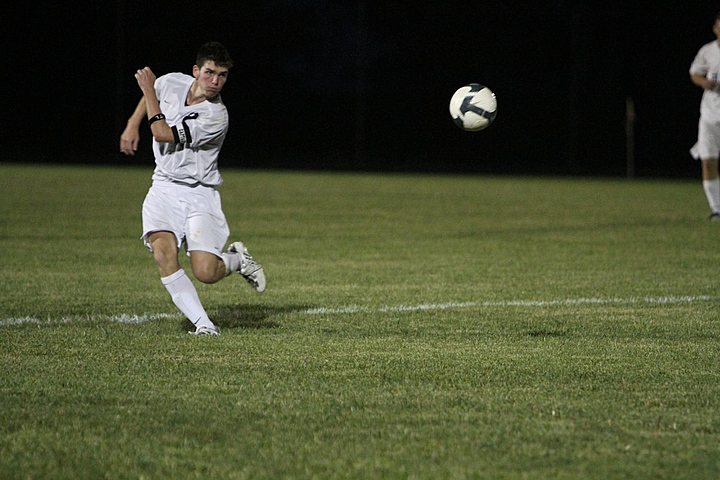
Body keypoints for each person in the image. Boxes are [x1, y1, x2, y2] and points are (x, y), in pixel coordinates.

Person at [119, 41, 266, 336]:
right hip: (163, 186)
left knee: (205, 272)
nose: (215, 81)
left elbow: (161, 132)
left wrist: (147, 89)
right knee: (163, 253)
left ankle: (237, 259)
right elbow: (154, 96)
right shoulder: (171, 82)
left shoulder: (216, 116)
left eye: (222, 75)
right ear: (196, 71)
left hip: (200, 193)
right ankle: (204, 325)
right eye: (210, 72)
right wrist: (131, 124)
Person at [690, 12, 720, 221]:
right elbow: (694, 73)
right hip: (710, 114)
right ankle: (716, 209)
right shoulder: (707, 51)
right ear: (715, 28)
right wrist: (704, 82)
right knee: (708, 161)